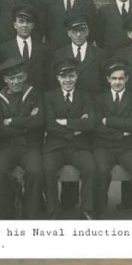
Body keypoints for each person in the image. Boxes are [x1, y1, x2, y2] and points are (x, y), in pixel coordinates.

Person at [43, 57, 98, 220]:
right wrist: (75, 129)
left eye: (71, 76)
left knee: (90, 167)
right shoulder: (49, 97)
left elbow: (91, 122)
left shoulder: (85, 96)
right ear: (58, 78)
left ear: (76, 76)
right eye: (64, 76)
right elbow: (50, 125)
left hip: (79, 146)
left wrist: (66, 122)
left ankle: (87, 209)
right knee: (47, 168)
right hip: (55, 146)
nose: (68, 80)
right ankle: (53, 209)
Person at [92, 57, 132, 219]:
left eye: (121, 78)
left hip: (128, 147)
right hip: (104, 146)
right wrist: (121, 132)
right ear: (108, 79)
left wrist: (108, 120)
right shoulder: (99, 99)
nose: (117, 82)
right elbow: (97, 127)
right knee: (101, 171)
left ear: (127, 79)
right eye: (114, 78)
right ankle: (100, 209)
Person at [0, 58, 45, 219]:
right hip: (6, 147)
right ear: (5, 79)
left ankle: (30, 212)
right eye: (12, 78)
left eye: (19, 77)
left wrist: (12, 122)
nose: (16, 82)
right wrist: (26, 124)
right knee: (0, 171)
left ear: (25, 77)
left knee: (35, 171)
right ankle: (7, 212)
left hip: (30, 146)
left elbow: (39, 121)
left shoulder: (34, 93)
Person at [0, 3, 50, 92]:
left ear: (33, 25)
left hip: (37, 99)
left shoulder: (43, 49)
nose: (24, 25)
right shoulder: (3, 50)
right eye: (21, 21)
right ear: (15, 24)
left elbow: (47, 79)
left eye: (28, 22)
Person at [53, 13, 108, 95]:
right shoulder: (59, 55)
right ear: (69, 33)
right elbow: (54, 83)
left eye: (82, 31)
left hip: (94, 102)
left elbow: (105, 83)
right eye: (75, 31)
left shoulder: (100, 54)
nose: (78, 35)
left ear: (87, 32)